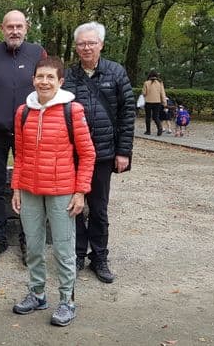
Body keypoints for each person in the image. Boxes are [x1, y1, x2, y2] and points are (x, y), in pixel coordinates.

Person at [10, 56, 96, 327]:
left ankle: (66, 301)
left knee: (63, 249)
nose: (44, 82)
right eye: (40, 76)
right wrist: (16, 188)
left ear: (60, 81)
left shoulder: (73, 111)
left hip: (62, 191)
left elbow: (88, 154)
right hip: (30, 190)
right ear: (33, 79)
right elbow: (20, 155)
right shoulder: (23, 112)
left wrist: (80, 191)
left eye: (50, 77)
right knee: (33, 247)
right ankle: (37, 294)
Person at [0, 10, 48, 265]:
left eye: (19, 26)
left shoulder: (38, 53)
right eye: (10, 27)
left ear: (26, 28)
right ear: (2, 29)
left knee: (28, 188)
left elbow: (48, 85)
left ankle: (28, 240)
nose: (14, 31)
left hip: (28, 132)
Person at [62, 21, 135, 284]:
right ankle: (78, 253)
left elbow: (128, 113)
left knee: (99, 208)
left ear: (101, 44)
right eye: (81, 43)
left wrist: (123, 151)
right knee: (74, 208)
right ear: (76, 46)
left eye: (91, 43)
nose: (86, 48)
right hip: (73, 154)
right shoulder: (68, 77)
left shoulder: (116, 72)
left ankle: (100, 256)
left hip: (104, 153)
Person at [142, 70, 167, 136]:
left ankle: (148, 131)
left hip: (148, 102)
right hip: (157, 102)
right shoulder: (160, 83)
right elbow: (162, 94)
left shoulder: (146, 83)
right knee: (156, 117)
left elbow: (144, 93)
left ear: (149, 75)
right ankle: (159, 128)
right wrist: (164, 103)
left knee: (148, 117)